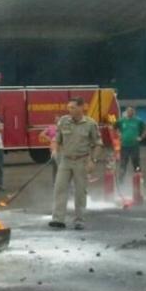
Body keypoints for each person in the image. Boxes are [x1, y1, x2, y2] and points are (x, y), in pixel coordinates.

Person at [49, 97, 102, 231]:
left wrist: (93, 160)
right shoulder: (63, 121)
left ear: (81, 107)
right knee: (59, 189)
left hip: (82, 161)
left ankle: (79, 220)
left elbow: (98, 144)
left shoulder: (90, 124)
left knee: (80, 192)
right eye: (69, 107)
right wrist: (54, 150)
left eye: (72, 107)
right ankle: (58, 219)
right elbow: (57, 139)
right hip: (65, 160)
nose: (70, 110)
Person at [116, 106, 146, 183]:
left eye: (131, 111)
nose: (129, 112)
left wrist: (141, 137)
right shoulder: (122, 120)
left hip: (134, 146)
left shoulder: (138, 121)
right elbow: (114, 127)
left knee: (136, 162)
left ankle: (139, 177)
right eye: (128, 111)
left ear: (134, 112)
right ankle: (121, 179)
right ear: (126, 112)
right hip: (124, 146)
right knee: (123, 162)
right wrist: (119, 134)